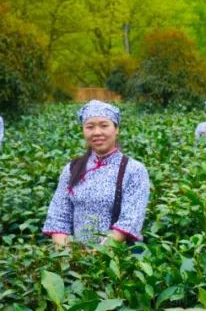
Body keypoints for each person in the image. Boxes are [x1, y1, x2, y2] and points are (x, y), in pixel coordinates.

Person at [43, 100, 151, 246]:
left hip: (117, 259)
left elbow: (130, 220)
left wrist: (99, 253)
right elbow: (58, 216)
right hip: (75, 258)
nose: (97, 132)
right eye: (90, 127)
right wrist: (67, 252)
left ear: (116, 128)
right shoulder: (72, 168)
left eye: (104, 125)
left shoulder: (134, 169)